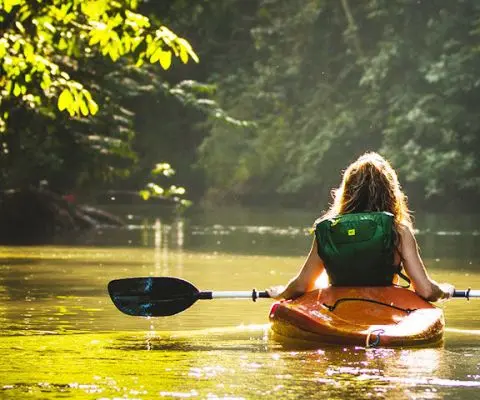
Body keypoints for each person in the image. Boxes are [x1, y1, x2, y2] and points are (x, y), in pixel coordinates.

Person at [268, 151, 455, 302]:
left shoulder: (329, 230)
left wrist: (281, 293)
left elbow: (302, 285)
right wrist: (444, 291)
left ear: (347, 191)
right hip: (385, 307)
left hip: (337, 308)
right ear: (390, 193)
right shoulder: (398, 231)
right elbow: (426, 291)